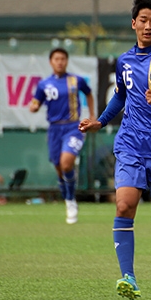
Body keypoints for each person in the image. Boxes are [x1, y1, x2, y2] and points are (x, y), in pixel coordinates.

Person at [79, 0, 151, 300]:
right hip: (130, 146)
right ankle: (128, 276)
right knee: (124, 206)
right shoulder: (125, 60)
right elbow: (120, 95)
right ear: (133, 23)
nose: (147, 25)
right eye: (142, 20)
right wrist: (101, 122)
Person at [29, 47, 94, 224]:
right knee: (59, 168)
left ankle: (71, 200)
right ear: (51, 62)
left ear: (67, 61)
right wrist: (33, 107)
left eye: (63, 59)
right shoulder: (44, 84)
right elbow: (35, 102)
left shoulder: (75, 80)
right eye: (56, 59)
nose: (60, 62)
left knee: (66, 164)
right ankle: (67, 198)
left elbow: (88, 93)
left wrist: (92, 116)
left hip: (73, 127)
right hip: (54, 129)